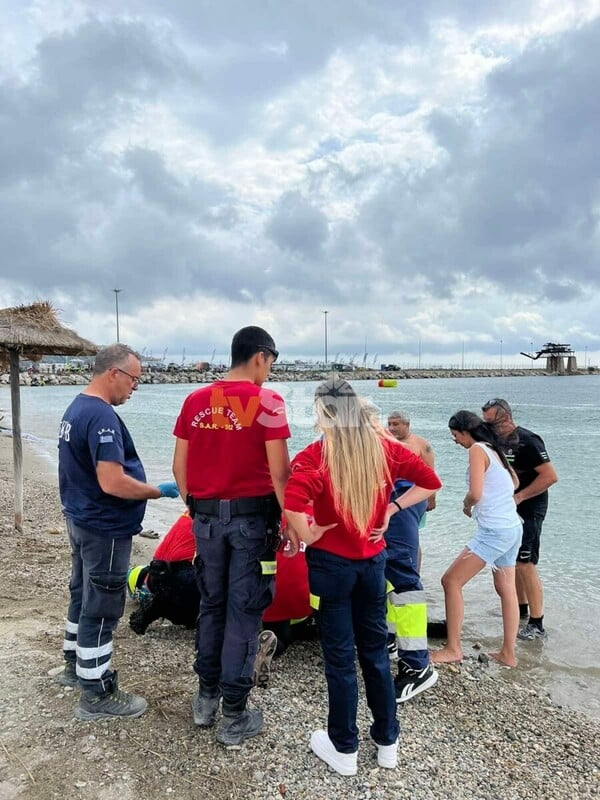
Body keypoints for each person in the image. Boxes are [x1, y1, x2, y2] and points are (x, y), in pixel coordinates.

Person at [284, 377, 441, 776]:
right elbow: (430, 483)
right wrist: (392, 509)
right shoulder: (385, 449)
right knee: (373, 653)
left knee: (339, 659)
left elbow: (292, 504)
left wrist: (309, 533)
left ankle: (344, 747)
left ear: (322, 413)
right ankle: (387, 741)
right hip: (373, 565)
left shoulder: (313, 456)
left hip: (330, 569)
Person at [172, 326, 295, 748]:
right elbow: (280, 474)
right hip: (251, 525)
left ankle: (205, 699)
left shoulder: (194, 400)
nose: (269, 373)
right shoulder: (268, 401)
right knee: (245, 611)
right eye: (270, 364)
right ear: (260, 356)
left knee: (212, 605)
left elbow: (179, 469)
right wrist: (293, 521)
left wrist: (197, 508)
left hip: (206, 521)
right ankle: (235, 714)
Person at [57, 343, 180, 720]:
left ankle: (73, 666)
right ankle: (96, 693)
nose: (135, 388)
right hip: (104, 527)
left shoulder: (76, 408)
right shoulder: (102, 417)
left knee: (81, 593)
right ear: (114, 373)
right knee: (103, 605)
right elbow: (112, 482)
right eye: (134, 380)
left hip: (80, 519)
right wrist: (158, 491)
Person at [431, 411, 522, 667]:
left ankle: (453, 648)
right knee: (507, 590)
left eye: (455, 435)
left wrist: (467, 505)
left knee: (450, 581)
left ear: (464, 431)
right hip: (512, 527)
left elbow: (476, 492)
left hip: (494, 532)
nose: (455, 441)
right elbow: (514, 481)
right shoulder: (494, 449)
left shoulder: (478, 450)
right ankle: (508, 654)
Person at [481, 398, 558, 640]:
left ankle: (537, 623)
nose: (488, 427)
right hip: (507, 508)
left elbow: (550, 476)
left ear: (506, 417)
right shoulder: (492, 442)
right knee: (512, 561)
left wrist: (520, 497)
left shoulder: (528, 440)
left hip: (530, 506)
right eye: (485, 422)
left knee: (526, 562)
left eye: (491, 422)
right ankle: (521, 610)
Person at [385, 410, 438, 701]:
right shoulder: (382, 444)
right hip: (390, 504)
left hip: (402, 503)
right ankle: (390, 638)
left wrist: (427, 502)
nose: (392, 428)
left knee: (405, 582)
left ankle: (417, 665)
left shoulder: (416, 445)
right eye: (388, 424)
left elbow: (430, 478)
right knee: (385, 577)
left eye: (396, 424)